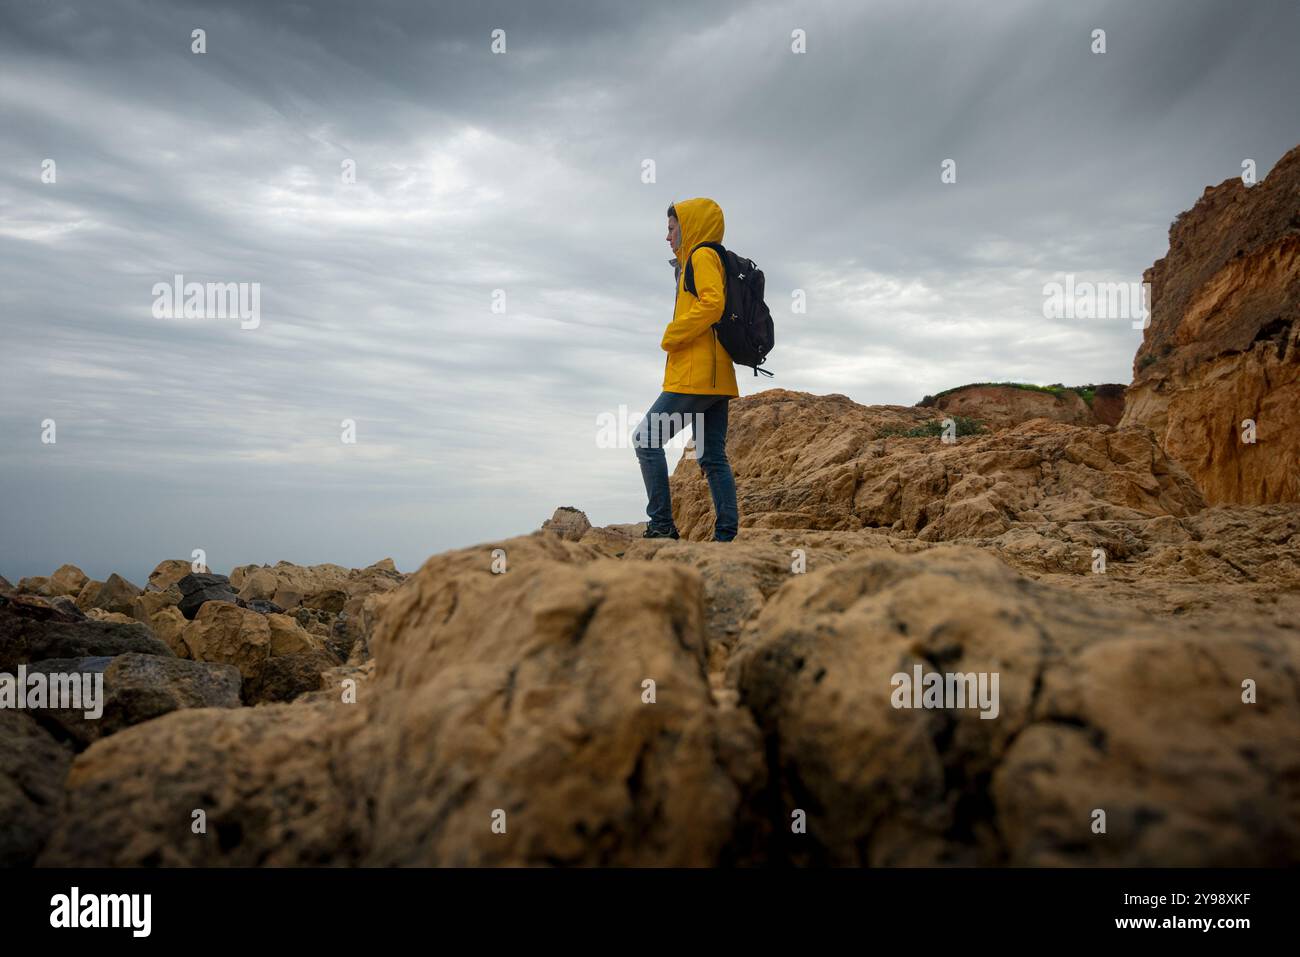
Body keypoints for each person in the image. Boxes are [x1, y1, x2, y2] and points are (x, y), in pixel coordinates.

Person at [632, 197, 739, 541]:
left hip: (696, 376)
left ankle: (662, 525)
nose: (667, 236)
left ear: (687, 227)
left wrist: (672, 334)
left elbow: (713, 304)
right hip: (717, 378)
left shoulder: (702, 256)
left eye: (671, 228)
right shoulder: (709, 257)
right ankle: (725, 537)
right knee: (711, 457)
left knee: (646, 439)